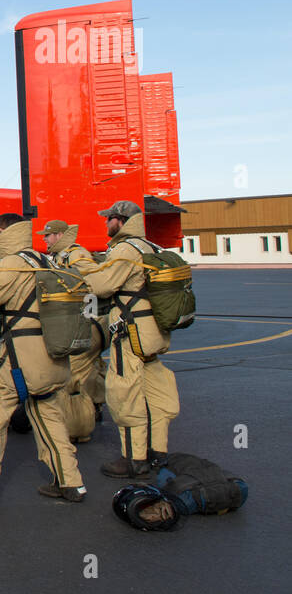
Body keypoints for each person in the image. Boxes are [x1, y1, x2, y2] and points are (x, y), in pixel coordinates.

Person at [0, 213, 86, 506]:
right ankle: (71, 482)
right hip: (54, 357)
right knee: (49, 419)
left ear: (7, 233)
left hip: (20, 359)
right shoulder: (46, 261)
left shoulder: (11, 265)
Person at [82, 200, 181, 478]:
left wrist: (86, 271)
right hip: (154, 332)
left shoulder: (125, 248)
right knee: (157, 394)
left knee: (125, 394)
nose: (106, 223)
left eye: (109, 218)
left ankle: (134, 458)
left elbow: (103, 286)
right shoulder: (149, 246)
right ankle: (158, 453)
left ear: (121, 220)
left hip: (131, 333)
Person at [42, 219, 108, 418]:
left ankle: (80, 416)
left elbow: (97, 280)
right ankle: (95, 404)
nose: (44, 239)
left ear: (59, 235)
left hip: (90, 319)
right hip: (83, 319)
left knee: (76, 369)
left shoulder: (76, 255)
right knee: (91, 365)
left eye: (47, 235)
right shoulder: (60, 256)